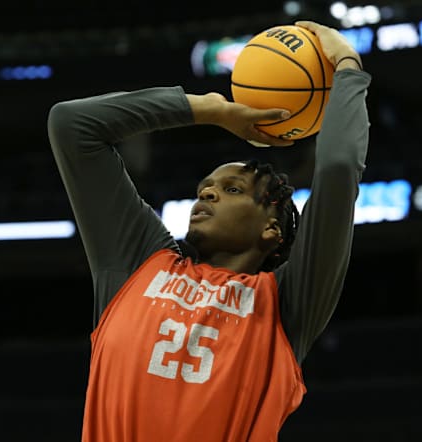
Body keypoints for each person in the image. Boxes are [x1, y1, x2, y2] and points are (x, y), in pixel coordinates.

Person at [47, 20, 370, 442]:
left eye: (232, 189)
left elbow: (340, 167)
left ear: (272, 229)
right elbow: (71, 125)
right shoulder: (137, 262)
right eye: (206, 189)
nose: (208, 195)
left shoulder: (287, 305)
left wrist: (347, 66)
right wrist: (212, 110)